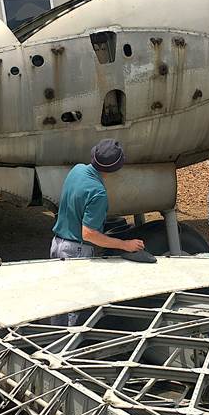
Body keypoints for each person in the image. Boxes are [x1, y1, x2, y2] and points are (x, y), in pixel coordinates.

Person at [50, 138, 144, 324]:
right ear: (116, 168)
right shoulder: (98, 192)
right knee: (76, 311)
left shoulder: (76, 170)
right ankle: (69, 350)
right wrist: (125, 245)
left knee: (59, 305)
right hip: (76, 251)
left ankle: (54, 346)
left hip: (57, 244)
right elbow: (89, 234)